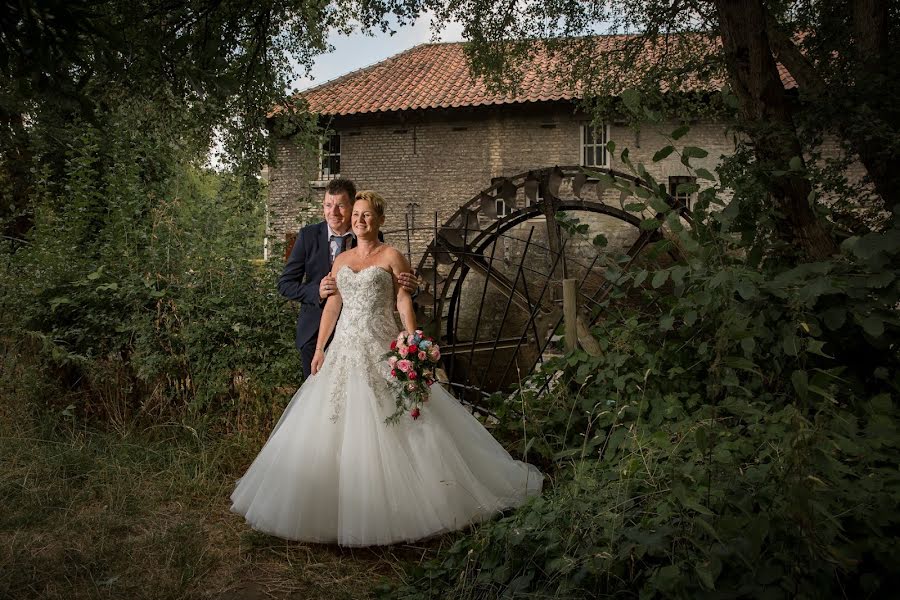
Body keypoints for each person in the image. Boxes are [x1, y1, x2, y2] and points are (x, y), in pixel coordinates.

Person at [231, 191, 543, 547]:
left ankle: (420, 502)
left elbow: (402, 299)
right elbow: (333, 305)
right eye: (356, 215)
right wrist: (319, 348)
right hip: (344, 349)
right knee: (331, 419)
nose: (359, 220)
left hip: (381, 345)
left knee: (398, 417)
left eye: (366, 215)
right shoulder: (342, 260)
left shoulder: (393, 255)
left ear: (378, 219)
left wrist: (412, 342)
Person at [278, 178, 418, 379]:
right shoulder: (308, 236)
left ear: (352, 207)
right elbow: (285, 284)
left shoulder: (373, 236)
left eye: (341, 206)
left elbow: (393, 288)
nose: (333, 212)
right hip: (316, 332)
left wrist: (413, 287)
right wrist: (316, 291)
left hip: (370, 336)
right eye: (328, 205)